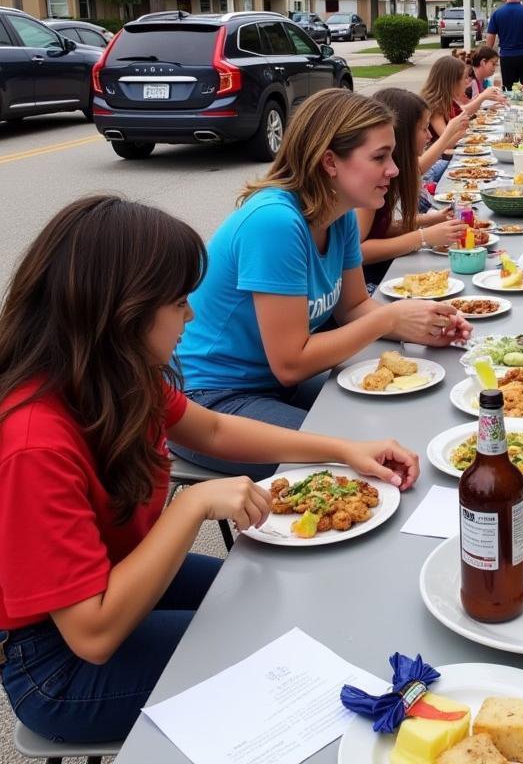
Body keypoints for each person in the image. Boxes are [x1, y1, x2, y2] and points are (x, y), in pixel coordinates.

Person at [0, 196, 421, 743]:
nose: (192, 315)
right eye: (179, 302)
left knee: (282, 592)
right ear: (123, 310)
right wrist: (193, 505)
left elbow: (214, 430)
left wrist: (343, 449)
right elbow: (93, 634)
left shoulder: (114, 370)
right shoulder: (35, 442)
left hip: (117, 575)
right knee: (282, 666)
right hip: (57, 666)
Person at [172, 89, 473, 477]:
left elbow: (352, 308)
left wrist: (420, 328)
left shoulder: (342, 211)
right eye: (380, 157)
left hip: (269, 387)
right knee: (368, 465)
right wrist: (389, 320)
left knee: (406, 416)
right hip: (210, 402)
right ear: (330, 161)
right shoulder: (275, 223)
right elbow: (291, 362)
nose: (395, 170)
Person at [358, 89, 468, 287]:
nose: (428, 136)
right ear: (404, 132)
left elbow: (380, 228)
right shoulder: (369, 181)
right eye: (424, 129)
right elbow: (359, 252)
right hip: (374, 282)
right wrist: (423, 237)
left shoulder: (391, 171)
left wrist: (430, 219)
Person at [421, 55, 504, 185]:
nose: (467, 82)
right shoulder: (435, 106)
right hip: (437, 163)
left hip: (443, 158)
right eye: (464, 78)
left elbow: (465, 112)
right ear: (451, 81)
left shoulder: (449, 100)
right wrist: (461, 131)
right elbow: (446, 143)